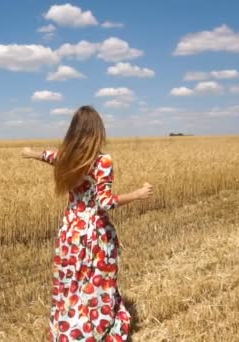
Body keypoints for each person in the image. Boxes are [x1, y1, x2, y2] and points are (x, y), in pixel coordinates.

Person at [21, 105, 153, 342]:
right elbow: (105, 203)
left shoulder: (68, 157)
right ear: (97, 132)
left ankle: (68, 333)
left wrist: (31, 153)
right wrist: (138, 194)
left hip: (70, 232)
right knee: (97, 286)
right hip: (94, 236)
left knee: (70, 286)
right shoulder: (102, 161)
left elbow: (50, 156)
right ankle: (94, 334)